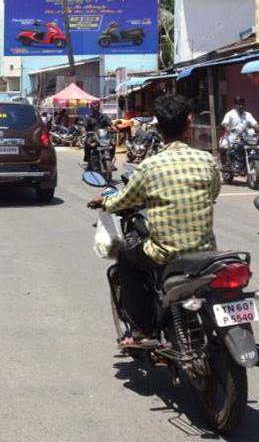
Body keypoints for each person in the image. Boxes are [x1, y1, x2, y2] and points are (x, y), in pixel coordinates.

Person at [88, 94, 222, 345]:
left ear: (158, 127)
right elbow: (214, 192)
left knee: (126, 259)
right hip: (206, 253)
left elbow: (122, 200)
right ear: (189, 123)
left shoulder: (150, 166)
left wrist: (104, 201)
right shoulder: (206, 160)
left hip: (165, 253)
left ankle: (143, 329)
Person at [220, 96, 259, 162]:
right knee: (224, 146)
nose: (241, 106)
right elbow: (224, 123)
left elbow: (254, 124)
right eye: (238, 104)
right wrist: (227, 128)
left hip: (244, 137)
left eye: (242, 104)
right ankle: (224, 164)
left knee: (253, 146)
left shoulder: (247, 115)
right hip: (231, 137)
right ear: (235, 105)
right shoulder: (229, 114)